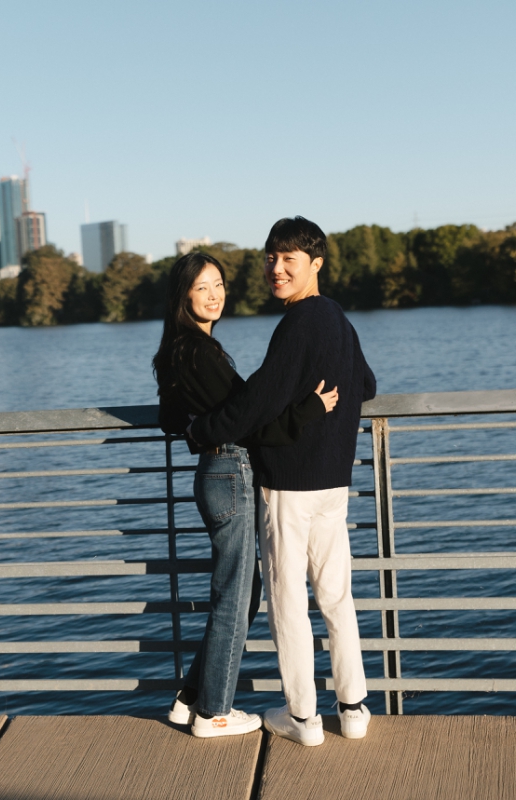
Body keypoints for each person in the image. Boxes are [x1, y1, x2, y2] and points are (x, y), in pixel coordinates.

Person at [188, 217, 376, 746]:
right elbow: (366, 383)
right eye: (271, 257)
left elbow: (255, 404)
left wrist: (202, 428)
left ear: (316, 264)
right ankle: (355, 708)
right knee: (336, 597)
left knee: (289, 601)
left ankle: (303, 718)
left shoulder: (297, 324)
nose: (277, 268)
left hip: (290, 485)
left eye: (289, 259)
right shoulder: (337, 317)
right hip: (333, 480)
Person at [154, 251, 339, 739]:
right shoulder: (199, 352)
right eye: (202, 288)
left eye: (218, 285)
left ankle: (188, 699)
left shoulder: (180, 350)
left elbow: (170, 417)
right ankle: (214, 712)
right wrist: (308, 411)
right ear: (184, 297)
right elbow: (247, 418)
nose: (214, 295)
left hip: (215, 472)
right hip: (230, 471)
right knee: (235, 595)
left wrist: (196, 426)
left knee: (240, 591)